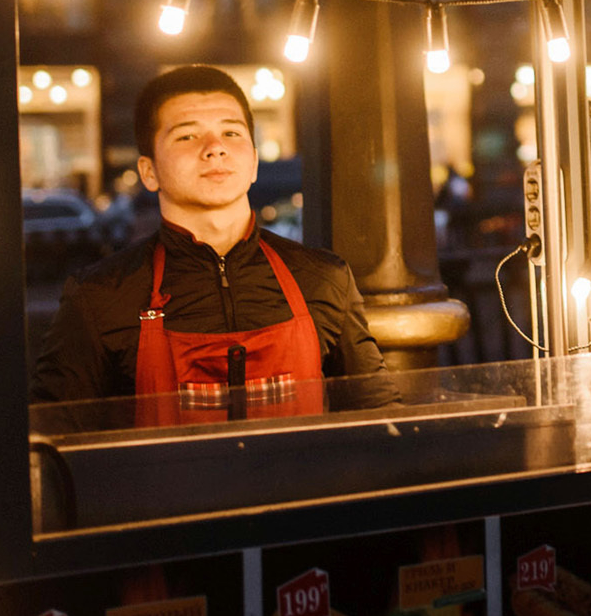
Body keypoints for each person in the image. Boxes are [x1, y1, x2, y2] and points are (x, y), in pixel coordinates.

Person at [31, 65, 389, 413]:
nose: (215, 148)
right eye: (187, 136)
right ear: (149, 171)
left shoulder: (323, 279)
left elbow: (382, 421)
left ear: (253, 162)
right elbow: (54, 438)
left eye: (231, 133)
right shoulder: (100, 297)